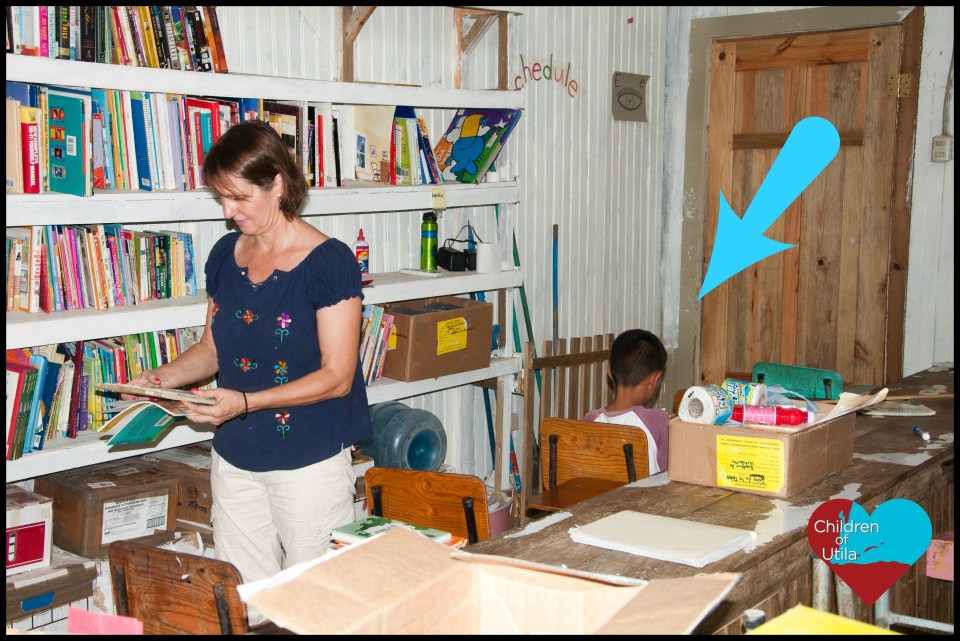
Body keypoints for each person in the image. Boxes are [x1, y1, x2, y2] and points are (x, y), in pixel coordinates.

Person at [125, 120, 371, 592]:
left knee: (314, 599)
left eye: (238, 197)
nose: (227, 210)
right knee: (246, 598)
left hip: (309, 464)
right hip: (235, 458)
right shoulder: (224, 255)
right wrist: (161, 379)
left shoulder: (329, 262)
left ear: (277, 183)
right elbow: (211, 348)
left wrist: (244, 401)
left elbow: (338, 377)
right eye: (221, 197)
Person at [582, 329, 669, 474]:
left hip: (598, 496)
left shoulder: (590, 419)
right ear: (655, 379)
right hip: (643, 497)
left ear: (609, 370)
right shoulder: (658, 421)